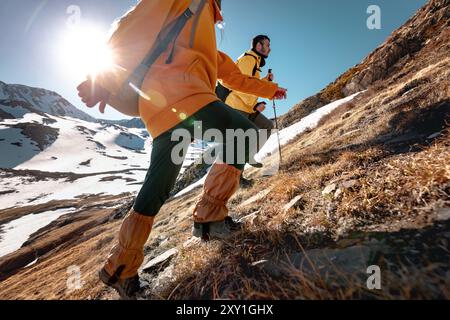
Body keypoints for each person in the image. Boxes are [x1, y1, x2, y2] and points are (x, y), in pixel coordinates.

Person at [77, 0, 287, 299]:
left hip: (162, 108)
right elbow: (136, 21)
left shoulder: (206, 34)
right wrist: (103, 78)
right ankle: (210, 218)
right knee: (243, 133)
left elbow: (233, 77)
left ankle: (120, 268)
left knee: (159, 185)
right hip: (184, 96)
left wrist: (270, 90)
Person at [221, 35, 278, 187]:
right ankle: (236, 180)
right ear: (259, 46)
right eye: (267, 45)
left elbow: (252, 84)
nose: (270, 48)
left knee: (267, 126)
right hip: (237, 105)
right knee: (243, 138)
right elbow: (241, 85)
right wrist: (255, 105)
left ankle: (248, 156)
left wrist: (266, 81)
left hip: (247, 105)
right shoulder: (248, 59)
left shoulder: (255, 62)